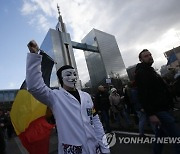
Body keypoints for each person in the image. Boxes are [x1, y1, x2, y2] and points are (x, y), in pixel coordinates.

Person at [26, 40, 110, 154]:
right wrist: (34, 56)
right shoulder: (55, 97)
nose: (73, 77)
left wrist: (105, 147)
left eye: (74, 74)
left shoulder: (86, 97)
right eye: (68, 74)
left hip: (95, 149)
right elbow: (34, 86)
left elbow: (96, 121)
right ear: (61, 79)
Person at [135, 49, 180, 154]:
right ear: (141, 59)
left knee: (160, 136)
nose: (149, 57)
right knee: (176, 137)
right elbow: (143, 95)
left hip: (164, 107)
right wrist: (151, 114)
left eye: (150, 55)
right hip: (158, 110)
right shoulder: (142, 73)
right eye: (146, 56)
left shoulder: (151, 71)